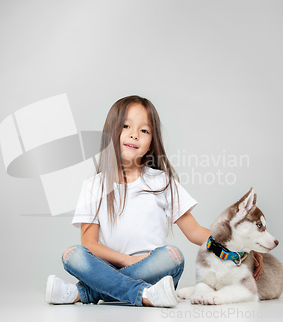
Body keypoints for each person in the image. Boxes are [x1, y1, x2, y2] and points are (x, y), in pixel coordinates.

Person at [44, 95, 264, 307]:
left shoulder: (162, 182)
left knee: (173, 257)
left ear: (151, 143)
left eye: (144, 130)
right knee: (73, 255)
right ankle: (146, 295)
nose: (134, 135)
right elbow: (89, 244)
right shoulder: (94, 186)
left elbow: (195, 231)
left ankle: (84, 293)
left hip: (154, 271)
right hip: (110, 268)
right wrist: (128, 261)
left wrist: (243, 249)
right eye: (126, 126)